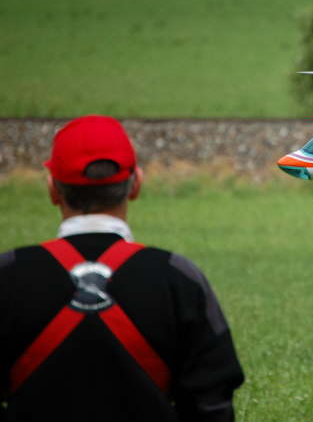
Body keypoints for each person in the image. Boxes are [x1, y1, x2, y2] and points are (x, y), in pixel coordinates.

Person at [0, 115, 244, 421]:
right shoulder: (178, 277)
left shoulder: (8, 275)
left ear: (52, 189)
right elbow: (211, 404)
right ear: (136, 184)